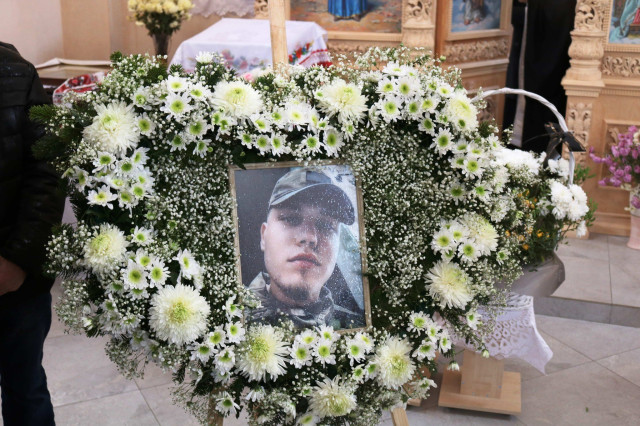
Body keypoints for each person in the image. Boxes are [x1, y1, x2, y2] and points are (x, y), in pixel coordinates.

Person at [0, 42, 65, 426]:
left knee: (25, 388)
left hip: (15, 279)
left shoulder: (15, 72)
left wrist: (17, 261)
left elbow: (47, 171)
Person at [245, 168, 365, 329]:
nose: (309, 237)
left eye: (326, 225)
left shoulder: (360, 328)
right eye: (291, 218)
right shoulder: (229, 317)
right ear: (264, 236)